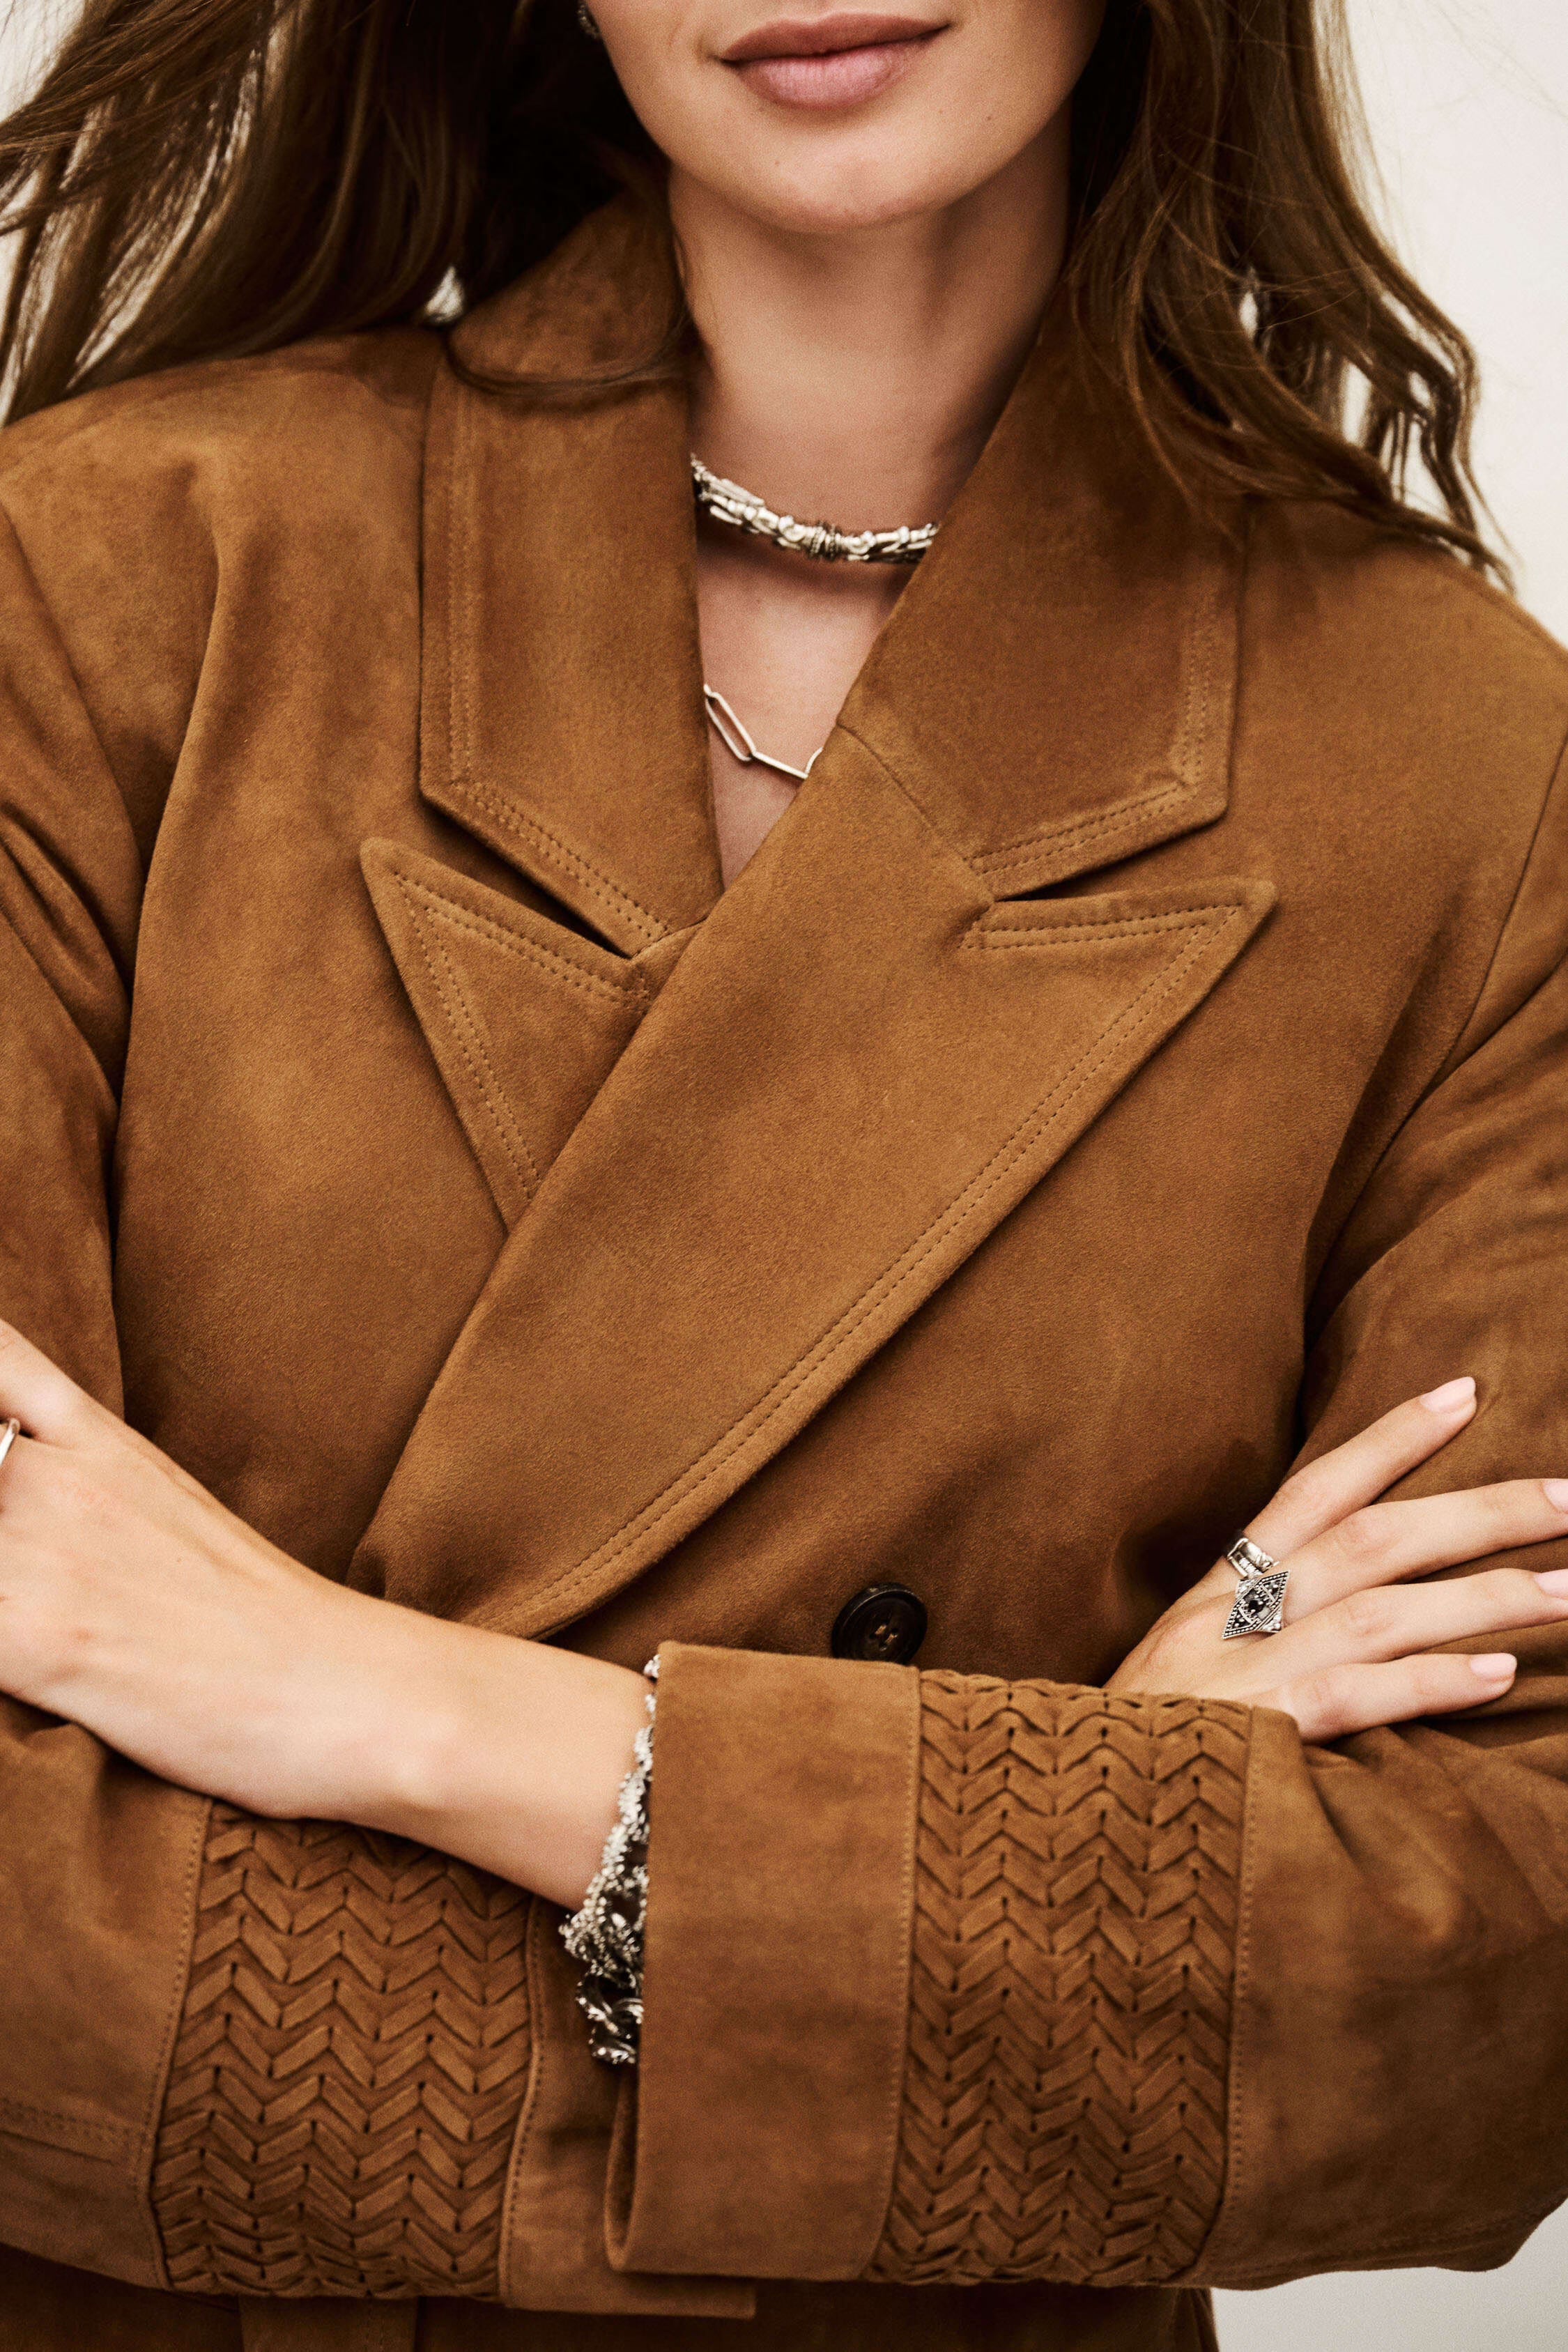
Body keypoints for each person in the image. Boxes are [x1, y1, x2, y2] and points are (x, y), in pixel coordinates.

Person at [0, 3, 1565, 2349]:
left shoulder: (1457, 758)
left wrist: (370, 1701)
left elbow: (1489, 1981)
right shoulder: (111, 573)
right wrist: (1041, 1879)